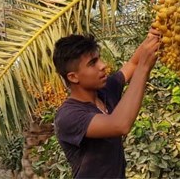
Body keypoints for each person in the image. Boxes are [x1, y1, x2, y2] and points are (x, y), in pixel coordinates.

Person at [52, 28, 161, 179]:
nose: (102, 65)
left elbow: (133, 63)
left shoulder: (105, 90)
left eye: (99, 59)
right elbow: (120, 125)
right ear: (73, 77)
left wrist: (153, 38)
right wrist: (144, 67)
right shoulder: (68, 116)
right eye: (92, 63)